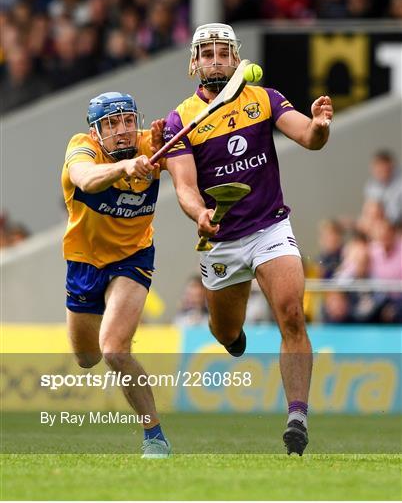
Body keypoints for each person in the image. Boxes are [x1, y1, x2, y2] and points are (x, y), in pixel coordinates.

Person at [163, 23, 333, 456]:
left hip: (270, 227)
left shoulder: (264, 99)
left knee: (292, 314)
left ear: (237, 59)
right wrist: (198, 212)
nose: (216, 60)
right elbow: (184, 185)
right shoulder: (180, 120)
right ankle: (232, 337)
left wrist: (319, 125)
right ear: (194, 63)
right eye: (208, 54)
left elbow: (309, 138)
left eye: (224, 53)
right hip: (222, 240)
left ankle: (297, 415)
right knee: (225, 330)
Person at [61, 91, 171, 458]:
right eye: (111, 124)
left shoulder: (149, 142)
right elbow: (86, 179)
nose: (122, 131)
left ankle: (154, 436)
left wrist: (169, 153)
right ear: (95, 132)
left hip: (133, 256)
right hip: (84, 262)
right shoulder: (81, 148)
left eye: (127, 121)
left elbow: (190, 164)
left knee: (114, 350)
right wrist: (124, 168)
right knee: (87, 357)